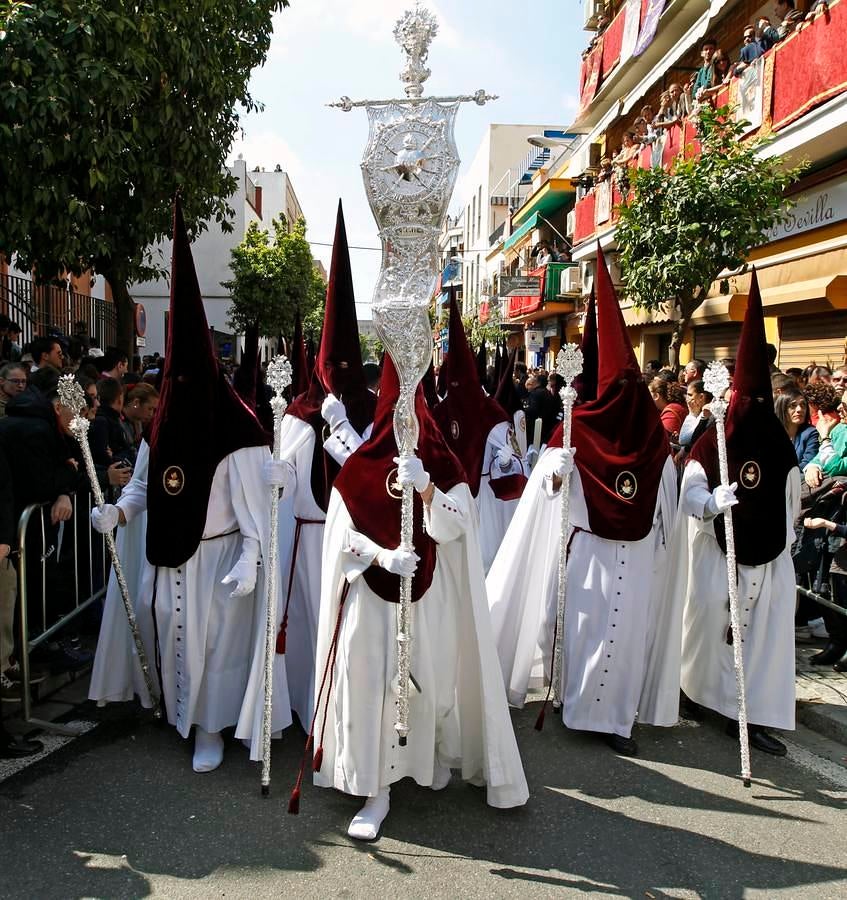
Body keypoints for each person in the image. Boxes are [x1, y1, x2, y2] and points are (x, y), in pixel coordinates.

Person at [88, 199, 291, 773]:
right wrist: (119, 514)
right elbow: (144, 487)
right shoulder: (163, 426)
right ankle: (179, 714)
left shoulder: (238, 427)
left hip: (222, 556)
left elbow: (257, 505)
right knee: (172, 633)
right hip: (170, 557)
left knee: (215, 648)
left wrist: (253, 557)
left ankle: (212, 727)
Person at [300, 355, 528, 840]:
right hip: (370, 601)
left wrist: (426, 488)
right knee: (369, 688)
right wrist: (382, 557)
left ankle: (422, 763)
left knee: (427, 684)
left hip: (427, 602)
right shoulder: (360, 468)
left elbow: (457, 527)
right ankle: (374, 788)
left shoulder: (441, 461)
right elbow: (340, 539)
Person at [487, 246, 681, 757]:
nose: (626, 395)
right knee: (585, 627)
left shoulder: (650, 438)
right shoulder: (575, 430)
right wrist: (557, 473)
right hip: (589, 549)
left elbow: (665, 496)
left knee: (627, 633)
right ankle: (577, 705)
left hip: (636, 555)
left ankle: (619, 718)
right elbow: (545, 495)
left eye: (630, 385)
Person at [669, 270, 801, 757]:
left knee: (761, 642)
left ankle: (749, 715)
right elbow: (690, 496)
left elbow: (790, 504)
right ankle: (695, 692)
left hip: (768, 560)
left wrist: (786, 540)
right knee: (706, 625)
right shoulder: (712, 443)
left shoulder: (781, 448)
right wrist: (711, 503)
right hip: (715, 549)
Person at [274, 201, 377, 728]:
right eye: (328, 364)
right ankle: (302, 707)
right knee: (307, 625)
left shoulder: (372, 412)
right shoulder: (297, 412)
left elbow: (370, 475)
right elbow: (285, 476)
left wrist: (344, 428)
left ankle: (341, 716)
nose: (336, 373)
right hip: (306, 538)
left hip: (354, 541)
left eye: (344, 363)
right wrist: (275, 476)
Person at [433, 290, 528, 572]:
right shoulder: (441, 412)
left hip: (482, 501)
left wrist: (505, 461)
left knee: (482, 563)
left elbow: (514, 464)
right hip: (447, 502)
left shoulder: (491, 414)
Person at [775, 389, 819, 469]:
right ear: (782, 409)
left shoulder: (811, 433)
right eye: (793, 405)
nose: (799, 409)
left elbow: (808, 463)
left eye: (803, 405)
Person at [650, 377, 687, 445]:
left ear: (656, 396)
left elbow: (661, 440)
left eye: (649, 394)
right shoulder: (673, 407)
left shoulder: (672, 411)